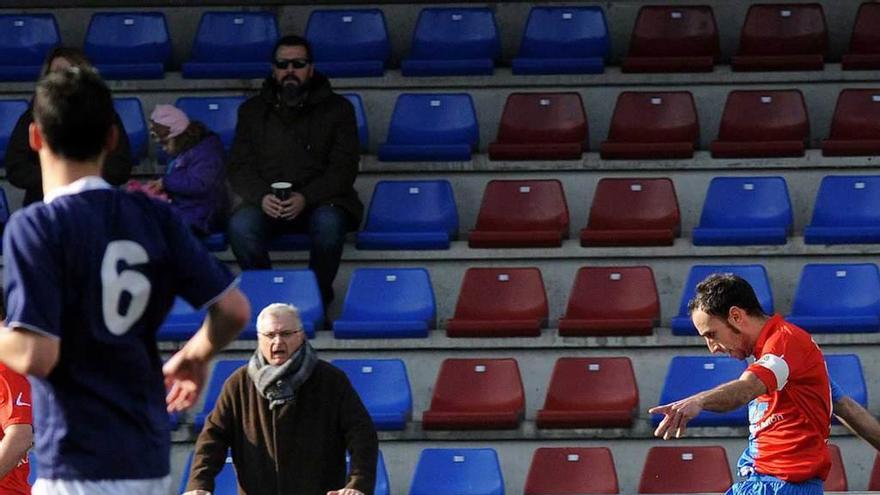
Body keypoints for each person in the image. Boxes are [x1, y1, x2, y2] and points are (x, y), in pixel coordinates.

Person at [0, 67, 250, 494]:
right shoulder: (153, 215)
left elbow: (36, 354)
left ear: (35, 137)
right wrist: (195, 356)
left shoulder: (38, 225)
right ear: (112, 139)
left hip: (77, 462)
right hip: (145, 458)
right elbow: (233, 310)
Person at [651, 273, 831, 495]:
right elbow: (845, 406)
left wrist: (699, 401)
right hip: (764, 483)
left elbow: (747, 388)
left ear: (736, 316)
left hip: (782, 487)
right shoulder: (773, 351)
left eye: (712, 334)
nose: (712, 347)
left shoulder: (784, 342)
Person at [183, 303, 377, 495]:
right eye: (270, 335)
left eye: (285, 334)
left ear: (300, 335)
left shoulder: (331, 380)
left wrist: (357, 485)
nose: (277, 342)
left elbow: (362, 435)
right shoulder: (238, 383)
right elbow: (213, 437)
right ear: (259, 338)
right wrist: (199, 485)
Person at [226, 35, 362, 306]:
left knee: (329, 225)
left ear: (311, 69)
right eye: (283, 64)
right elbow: (239, 166)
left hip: (321, 201)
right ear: (273, 69)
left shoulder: (339, 109)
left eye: (298, 64)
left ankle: (314, 300)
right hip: (267, 203)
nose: (290, 71)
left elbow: (344, 169)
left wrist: (305, 198)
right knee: (240, 227)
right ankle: (270, 304)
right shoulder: (251, 111)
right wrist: (262, 196)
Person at [4, 47, 132, 206]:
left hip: (98, 207)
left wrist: (81, 179)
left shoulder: (105, 115)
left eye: (69, 72)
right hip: (44, 205)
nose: (62, 79)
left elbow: (120, 167)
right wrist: (55, 177)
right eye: (55, 73)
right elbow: (16, 167)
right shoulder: (33, 116)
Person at [135, 104, 228, 236]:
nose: (164, 149)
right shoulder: (183, 151)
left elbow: (200, 184)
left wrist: (166, 183)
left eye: (165, 143)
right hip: (185, 210)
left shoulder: (207, 153)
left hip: (201, 216)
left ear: (179, 136)